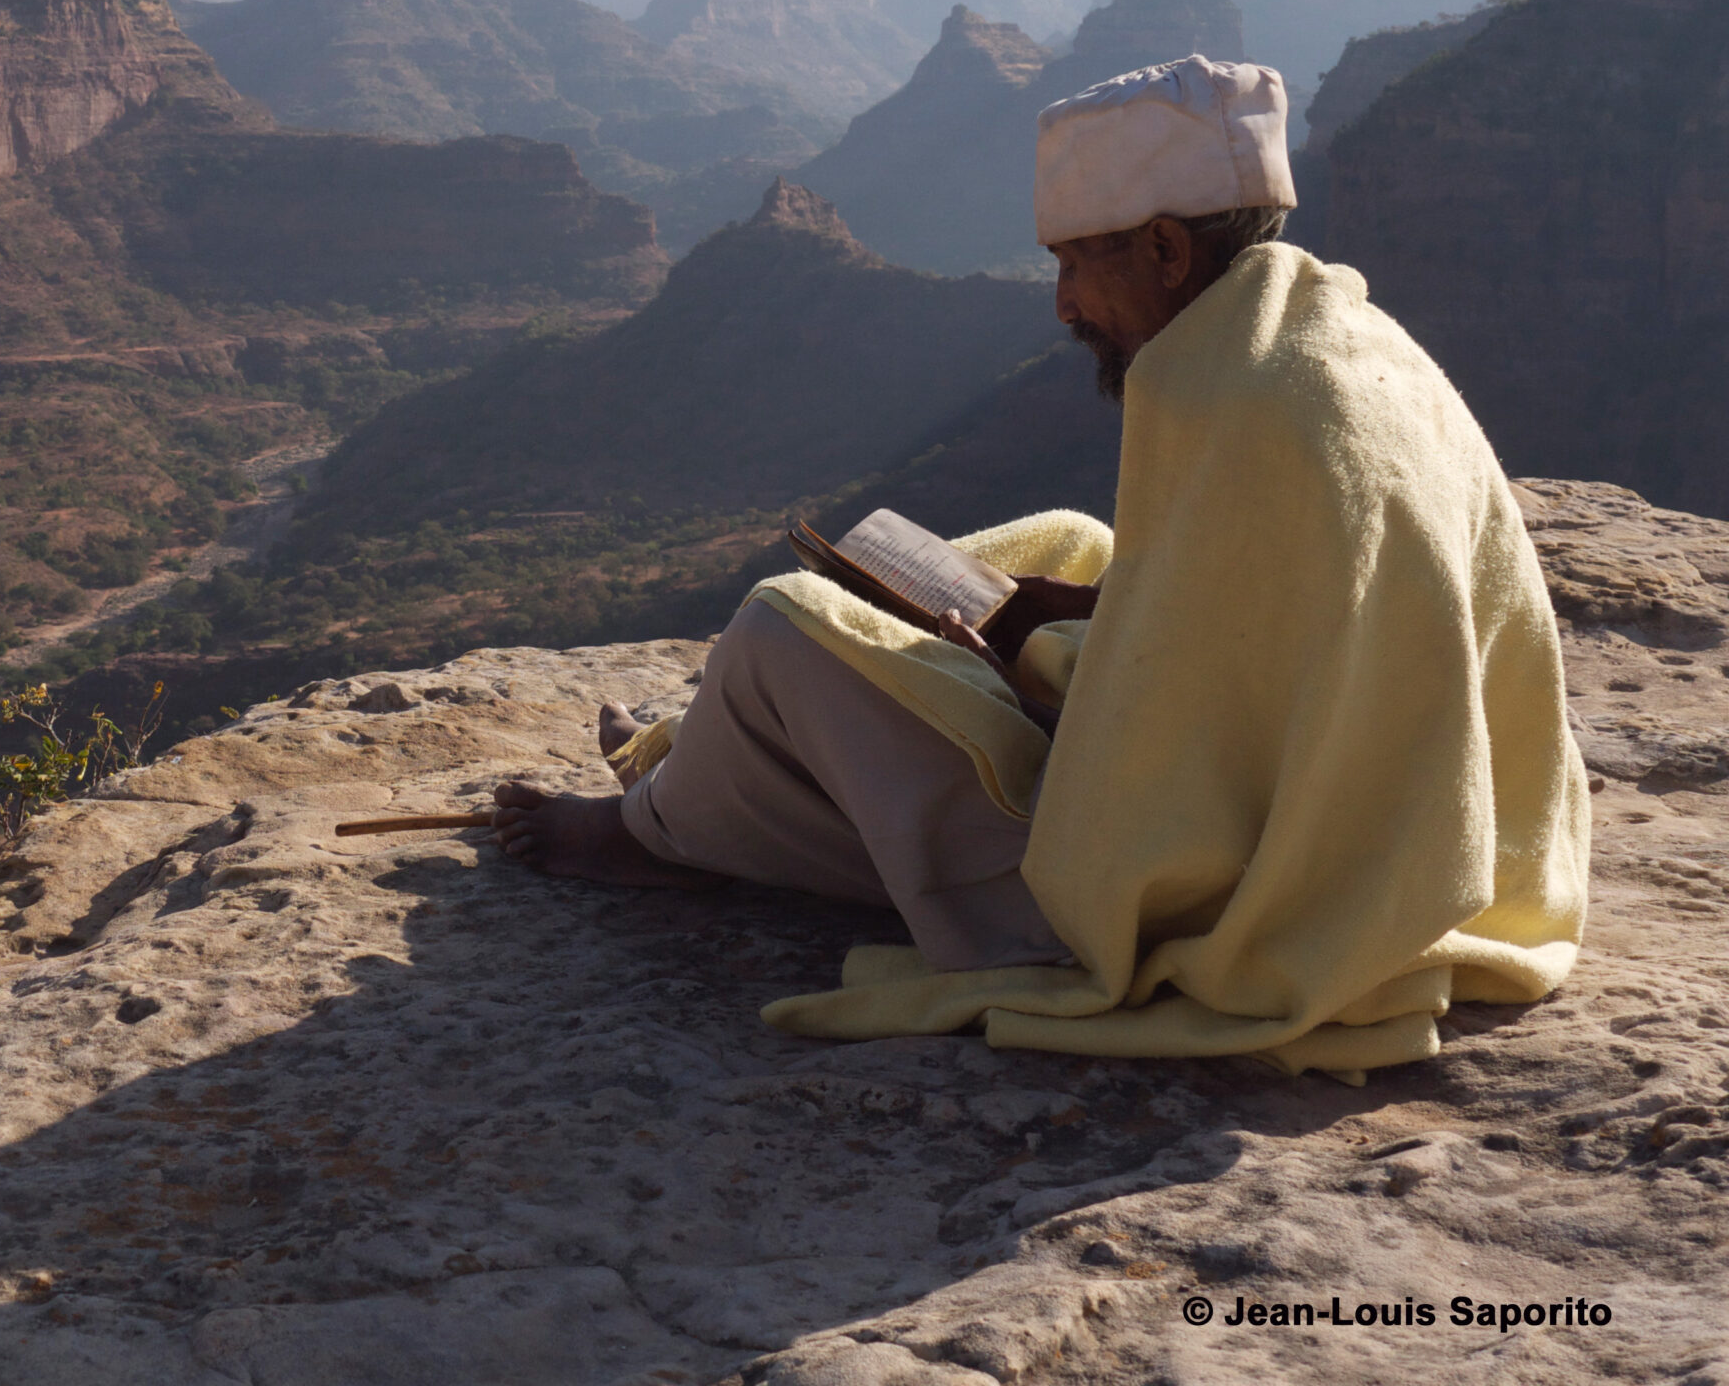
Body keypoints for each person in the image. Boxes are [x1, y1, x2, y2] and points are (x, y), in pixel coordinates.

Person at [492, 55, 1591, 1073]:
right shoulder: (1329, 340)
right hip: (1394, 827)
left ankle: (664, 831)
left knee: (783, 622)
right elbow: (1256, 649)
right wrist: (1068, 613)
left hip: (1223, 894)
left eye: (1076, 264)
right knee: (1067, 540)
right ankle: (702, 756)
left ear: (1165, 248)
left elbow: (1178, 755)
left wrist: (1026, 651)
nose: (1065, 306)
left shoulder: (1239, 397)